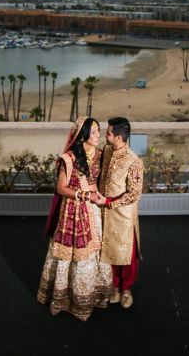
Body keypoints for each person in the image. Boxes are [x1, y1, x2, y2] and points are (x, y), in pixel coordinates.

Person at [36, 117, 113, 321]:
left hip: (93, 211)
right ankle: (66, 298)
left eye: (99, 131)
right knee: (70, 255)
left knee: (94, 251)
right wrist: (84, 195)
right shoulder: (68, 158)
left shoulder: (99, 154)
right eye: (94, 131)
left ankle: (92, 296)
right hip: (72, 209)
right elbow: (61, 188)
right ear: (83, 135)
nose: (98, 135)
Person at [98, 116, 143, 309]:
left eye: (108, 133)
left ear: (118, 137)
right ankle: (114, 287)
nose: (105, 135)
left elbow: (134, 194)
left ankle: (126, 289)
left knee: (126, 255)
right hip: (103, 211)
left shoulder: (134, 161)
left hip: (123, 215)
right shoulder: (107, 152)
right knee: (107, 251)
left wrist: (108, 202)